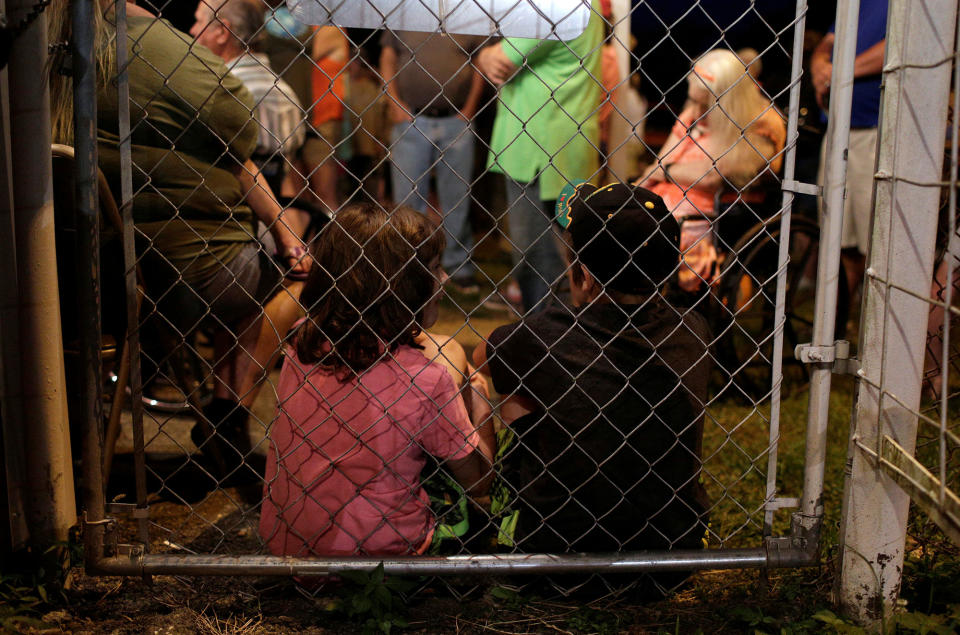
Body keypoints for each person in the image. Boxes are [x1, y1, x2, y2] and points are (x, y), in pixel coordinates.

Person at [49, 0, 309, 478]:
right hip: (175, 273)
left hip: (70, 270)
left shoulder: (52, 58)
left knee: (263, 260)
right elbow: (239, 126)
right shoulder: (154, 52)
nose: (190, 27)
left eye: (200, 19)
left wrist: (283, 226)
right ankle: (228, 413)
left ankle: (217, 413)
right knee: (289, 280)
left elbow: (239, 155)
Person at [473, 184, 711, 585]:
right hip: (670, 557)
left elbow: (481, 359)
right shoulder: (693, 328)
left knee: (501, 381)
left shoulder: (541, 336)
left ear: (581, 275)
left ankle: (510, 495)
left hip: (554, 555)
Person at [259, 203, 496, 557]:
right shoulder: (427, 379)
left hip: (289, 548)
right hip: (383, 562)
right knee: (466, 500)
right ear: (401, 286)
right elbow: (479, 480)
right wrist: (478, 400)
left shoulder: (300, 345)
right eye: (433, 269)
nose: (444, 279)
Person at [475, 0, 604, 312]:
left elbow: (504, 56)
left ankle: (549, 345)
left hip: (537, 149)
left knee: (540, 262)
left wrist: (483, 53)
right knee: (567, 256)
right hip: (560, 144)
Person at [638, 48, 785, 293]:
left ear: (726, 101)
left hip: (711, 213)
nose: (693, 111)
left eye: (703, 103)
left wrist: (666, 171)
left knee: (648, 229)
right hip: (667, 201)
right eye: (692, 100)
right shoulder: (693, 115)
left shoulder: (762, 125)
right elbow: (661, 161)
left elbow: (710, 176)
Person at [379, 30, 486, 292]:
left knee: (456, 199)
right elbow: (388, 56)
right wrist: (394, 103)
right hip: (412, 119)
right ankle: (407, 266)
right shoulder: (405, 9)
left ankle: (457, 265)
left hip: (455, 120)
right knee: (408, 201)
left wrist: (469, 111)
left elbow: (480, 62)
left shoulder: (468, 13)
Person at [190, 0, 306, 195]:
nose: (192, 31)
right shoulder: (288, 94)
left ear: (222, 32)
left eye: (199, 22)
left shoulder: (218, 91)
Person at [810, 3, 887, 298]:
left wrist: (838, 72)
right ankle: (844, 317)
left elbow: (899, 47)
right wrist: (820, 65)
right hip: (837, 129)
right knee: (840, 237)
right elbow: (827, 44)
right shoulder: (855, 3)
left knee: (876, 241)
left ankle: (879, 323)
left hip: (877, 130)